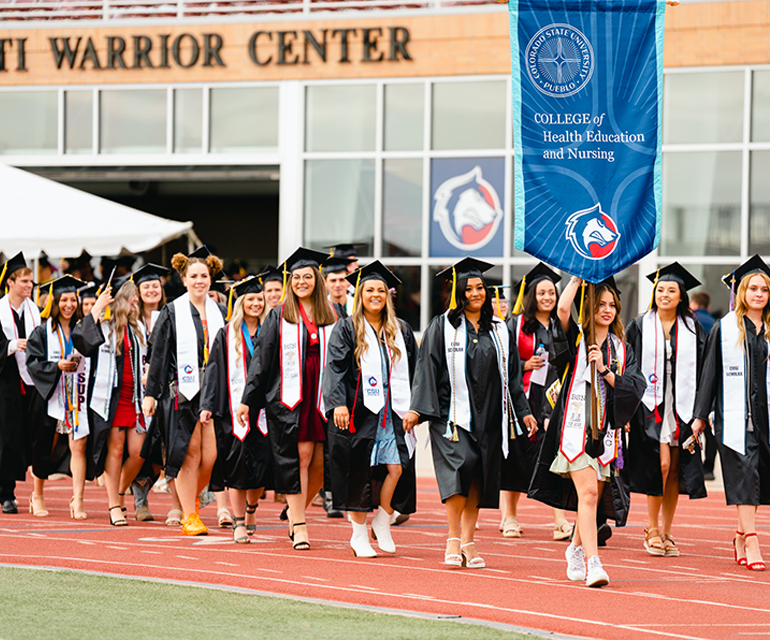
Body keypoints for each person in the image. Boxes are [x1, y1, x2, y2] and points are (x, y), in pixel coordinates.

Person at [405, 258, 536, 569]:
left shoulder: (500, 329)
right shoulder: (442, 326)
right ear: (458, 294)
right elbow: (427, 368)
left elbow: (513, 377)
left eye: (480, 288)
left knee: (479, 473)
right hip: (452, 415)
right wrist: (416, 409)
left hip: (491, 415)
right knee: (460, 469)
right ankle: (453, 537)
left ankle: (468, 540)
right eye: (469, 289)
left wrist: (524, 412)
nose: (476, 293)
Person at [529, 276, 645, 587]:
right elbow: (563, 309)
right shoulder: (577, 339)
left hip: (607, 434)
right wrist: (578, 277)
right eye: (601, 304)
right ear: (590, 308)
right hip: (576, 427)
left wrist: (606, 371)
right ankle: (594, 563)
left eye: (612, 306)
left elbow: (635, 387)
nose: (607, 310)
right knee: (590, 493)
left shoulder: (621, 348)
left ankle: (575, 549)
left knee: (591, 496)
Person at [236, 248, 343, 551]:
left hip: (324, 395)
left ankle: (296, 510)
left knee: (323, 464)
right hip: (290, 397)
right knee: (302, 457)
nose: (301, 282)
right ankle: (299, 524)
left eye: (307, 277)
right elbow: (262, 360)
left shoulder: (334, 314)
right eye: (295, 278)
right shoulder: (279, 315)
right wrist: (248, 399)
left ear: (317, 280)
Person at [324, 261, 418, 557]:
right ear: (360, 294)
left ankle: (382, 520)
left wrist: (416, 407)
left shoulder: (399, 329)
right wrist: (337, 402)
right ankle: (358, 535)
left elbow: (414, 371)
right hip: (359, 410)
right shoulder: (347, 328)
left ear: (388, 295)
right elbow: (335, 367)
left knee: (396, 468)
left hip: (392, 412)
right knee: (359, 471)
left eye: (381, 290)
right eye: (370, 290)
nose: (375, 295)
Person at [692, 255, 770, 572]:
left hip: (766, 419)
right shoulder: (725, 329)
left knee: (757, 479)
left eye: (764, 288)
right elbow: (709, 373)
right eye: (753, 288)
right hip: (735, 418)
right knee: (744, 475)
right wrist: (700, 417)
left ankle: (739, 534)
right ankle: (751, 538)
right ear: (742, 292)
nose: (759, 293)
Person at [142, 247, 227, 536]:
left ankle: (191, 500)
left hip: (212, 391)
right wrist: (151, 394)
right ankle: (190, 515)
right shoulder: (172, 311)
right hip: (182, 390)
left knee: (211, 455)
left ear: (211, 278)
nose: (200, 280)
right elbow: (159, 354)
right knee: (189, 454)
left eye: (204, 275)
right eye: (194, 276)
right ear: (184, 278)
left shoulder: (220, 311)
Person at [626, 263, 707, 557]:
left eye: (671, 290)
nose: (665, 294)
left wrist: (702, 410)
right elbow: (629, 367)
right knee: (657, 466)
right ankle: (650, 527)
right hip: (650, 404)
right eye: (660, 289)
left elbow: (702, 370)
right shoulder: (638, 325)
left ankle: (667, 530)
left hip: (681, 403)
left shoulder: (693, 328)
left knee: (675, 470)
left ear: (681, 296)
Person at [501, 263, 572, 541]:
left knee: (554, 455)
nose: (547, 298)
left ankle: (559, 521)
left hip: (553, 399)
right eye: (541, 293)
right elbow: (502, 362)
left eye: (552, 293)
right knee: (516, 456)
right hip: (523, 396)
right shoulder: (515, 324)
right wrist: (524, 363)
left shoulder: (560, 324)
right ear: (532, 295)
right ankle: (509, 517)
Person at [200, 276, 272, 544]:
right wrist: (207, 405)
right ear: (241, 303)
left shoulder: (271, 332)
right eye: (250, 299)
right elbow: (214, 371)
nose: (255, 303)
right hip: (232, 412)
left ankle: (252, 509)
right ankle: (239, 522)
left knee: (262, 470)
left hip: (265, 412)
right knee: (237, 468)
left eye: (259, 299)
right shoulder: (226, 334)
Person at [73, 280, 149, 526]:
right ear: (119, 301)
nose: (136, 301)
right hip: (111, 397)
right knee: (115, 449)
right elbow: (81, 341)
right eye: (132, 297)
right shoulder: (103, 327)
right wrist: (97, 307)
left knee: (139, 452)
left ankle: (117, 491)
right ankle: (114, 505)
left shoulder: (137, 326)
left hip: (135, 396)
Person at [26, 275, 93, 518]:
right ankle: (37, 495)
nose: (69, 304)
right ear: (54, 302)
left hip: (78, 395)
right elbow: (33, 362)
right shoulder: (42, 332)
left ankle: (78, 500)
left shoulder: (82, 329)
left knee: (79, 446)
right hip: (50, 397)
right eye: (64, 299)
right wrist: (56, 366)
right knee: (45, 447)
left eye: (73, 299)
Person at [130, 263, 179, 523]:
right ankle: (139, 501)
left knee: (165, 449)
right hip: (134, 395)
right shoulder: (130, 321)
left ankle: (174, 503)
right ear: (137, 292)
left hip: (163, 393)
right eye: (146, 286)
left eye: (155, 286)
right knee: (141, 450)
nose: (152, 290)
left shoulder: (171, 316)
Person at [0, 252, 41, 514]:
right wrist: (12, 345)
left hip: (30, 382)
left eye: (31, 282)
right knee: (6, 436)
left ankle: (10, 488)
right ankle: (6, 493)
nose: (29, 285)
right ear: (10, 283)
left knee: (24, 437)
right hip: (4, 382)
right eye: (24, 281)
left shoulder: (34, 310)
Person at [690, 290, 718, 480]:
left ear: (693, 303)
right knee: (710, 425)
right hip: (712, 378)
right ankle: (709, 467)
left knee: (694, 422)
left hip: (692, 379)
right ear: (707, 306)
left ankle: (696, 465)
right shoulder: (716, 324)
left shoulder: (688, 321)